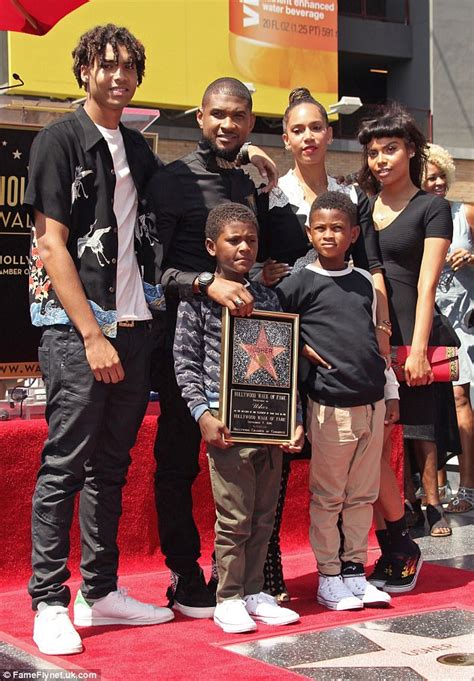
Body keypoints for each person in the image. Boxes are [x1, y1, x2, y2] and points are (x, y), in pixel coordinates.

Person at [24, 24, 174, 656]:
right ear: (84, 70)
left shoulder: (137, 148)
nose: (118, 75)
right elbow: (51, 244)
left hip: (136, 324)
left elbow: (176, 203)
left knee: (112, 466)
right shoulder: (58, 141)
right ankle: (49, 601)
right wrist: (91, 334)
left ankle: (102, 590)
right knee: (64, 465)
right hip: (78, 330)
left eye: (128, 67)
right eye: (105, 65)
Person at [253, 87, 392, 602]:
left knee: (359, 490)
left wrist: (386, 363)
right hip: (308, 378)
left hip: (362, 378)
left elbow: (374, 277)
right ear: (286, 137)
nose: (309, 136)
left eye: (317, 126)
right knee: (308, 485)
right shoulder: (272, 198)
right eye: (298, 128)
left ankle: (353, 571)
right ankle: (291, 579)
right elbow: (263, 290)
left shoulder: (352, 199)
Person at [146, 77, 277, 618]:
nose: (228, 124)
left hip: (250, 348)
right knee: (178, 462)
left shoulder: (248, 183)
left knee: (252, 467)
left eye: (239, 115)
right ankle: (184, 572)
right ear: (199, 118)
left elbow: (273, 249)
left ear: (250, 122)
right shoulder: (170, 181)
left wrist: (267, 189)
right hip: (187, 342)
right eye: (218, 114)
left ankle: (248, 581)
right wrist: (205, 283)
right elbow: (150, 273)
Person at [173, 203, 303, 632]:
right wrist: (201, 414)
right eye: (234, 239)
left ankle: (254, 592)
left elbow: (285, 367)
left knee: (264, 514)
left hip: (269, 423)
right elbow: (184, 363)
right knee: (234, 517)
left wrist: (294, 418)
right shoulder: (197, 301)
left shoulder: (267, 297)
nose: (244, 247)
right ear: (212, 246)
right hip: (226, 425)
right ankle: (227, 596)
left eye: (251, 239)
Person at [276, 191, 397, 611]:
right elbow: (271, 329)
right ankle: (328, 576)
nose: (329, 235)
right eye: (321, 228)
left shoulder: (365, 282)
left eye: (338, 228)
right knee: (329, 497)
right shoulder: (297, 281)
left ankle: (353, 573)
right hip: (329, 407)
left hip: (372, 404)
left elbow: (377, 342)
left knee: (361, 496)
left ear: (354, 234)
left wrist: (391, 389)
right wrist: (298, 349)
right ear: (309, 232)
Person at [358, 105, 454, 567]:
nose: (381, 159)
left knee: (409, 432)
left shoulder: (432, 207)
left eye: (390, 149)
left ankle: (416, 519)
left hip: (411, 336)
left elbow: (426, 284)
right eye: (374, 152)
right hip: (363, 337)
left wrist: (416, 350)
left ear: (411, 150)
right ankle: (392, 528)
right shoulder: (360, 204)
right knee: (372, 439)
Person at [422, 143, 473, 513]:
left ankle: (467, 487)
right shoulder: (415, 217)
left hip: (463, 324)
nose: (438, 182)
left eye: (441, 176)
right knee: (432, 402)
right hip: (427, 323)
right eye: (429, 177)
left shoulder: (465, 214)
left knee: (459, 398)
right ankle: (434, 487)